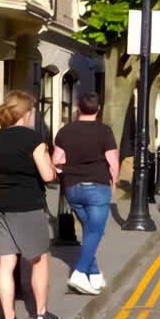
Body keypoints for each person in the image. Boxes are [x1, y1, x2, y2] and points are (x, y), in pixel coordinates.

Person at [0, 90, 60, 319]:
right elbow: (47, 176)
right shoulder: (33, 139)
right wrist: (53, 166)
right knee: (39, 259)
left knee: (6, 261)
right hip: (26, 204)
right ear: (26, 112)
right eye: (33, 111)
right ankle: (42, 314)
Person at [52, 92, 118, 295]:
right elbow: (113, 162)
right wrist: (114, 184)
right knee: (95, 231)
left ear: (78, 108)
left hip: (73, 189)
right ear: (98, 109)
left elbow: (56, 161)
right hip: (97, 187)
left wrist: (65, 172)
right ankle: (80, 273)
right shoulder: (104, 131)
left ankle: (95, 273)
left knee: (90, 230)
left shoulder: (65, 131)